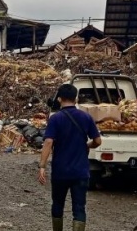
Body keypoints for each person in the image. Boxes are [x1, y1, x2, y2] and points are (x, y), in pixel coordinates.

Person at [38, 84, 102, 231]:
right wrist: (88, 145)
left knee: (57, 204)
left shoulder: (55, 119)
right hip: (80, 172)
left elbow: (48, 142)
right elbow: (98, 141)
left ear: (60, 99)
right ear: (76, 99)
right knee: (79, 207)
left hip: (60, 172)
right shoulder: (86, 117)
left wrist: (42, 166)